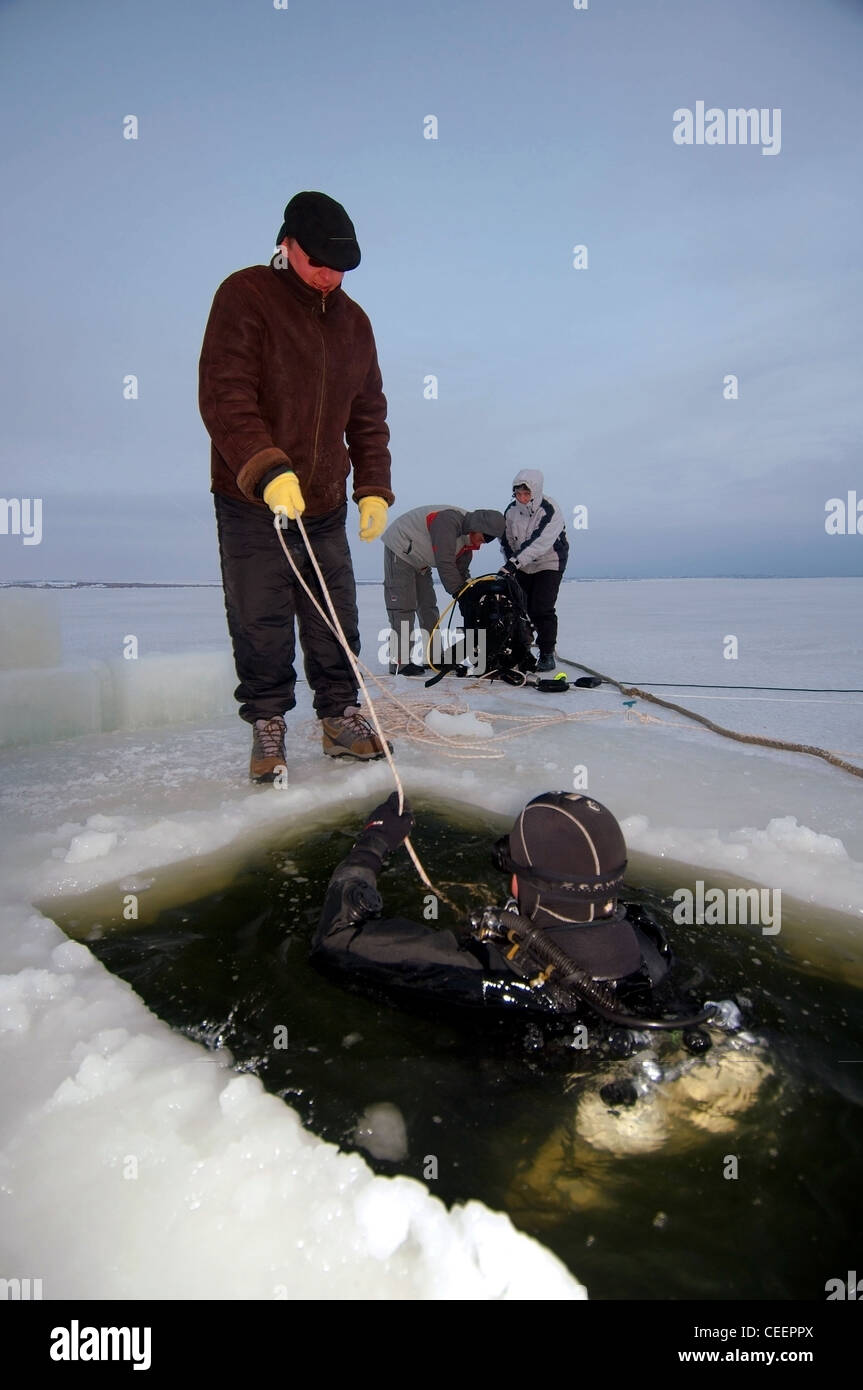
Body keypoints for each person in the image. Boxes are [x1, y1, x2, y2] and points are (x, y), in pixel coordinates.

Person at [199, 191, 394, 781]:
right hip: (252, 500)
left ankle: (339, 716)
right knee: (261, 617)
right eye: (320, 264)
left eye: (342, 268)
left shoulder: (355, 324)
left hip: (325, 502)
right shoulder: (246, 295)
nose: (330, 277)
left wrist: (375, 488)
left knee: (336, 616)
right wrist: (266, 467)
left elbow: (368, 414)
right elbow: (224, 393)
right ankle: (267, 723)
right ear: (288, 243)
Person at [312, 790, 681, 1024]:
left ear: (519, 883)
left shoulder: (481, 969)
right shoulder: (650, 942)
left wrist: (373, 842)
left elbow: (336, 938)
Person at [381, 505, 506, 675]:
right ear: (478, 527)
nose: (481, 544)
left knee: (428, 608)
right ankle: (400, 662)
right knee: (404, 607)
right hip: (402, 549)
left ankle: (434, 658)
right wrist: (459, 592)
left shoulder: (466, 546)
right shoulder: (448, 521)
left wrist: (470, 596)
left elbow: (461, 573)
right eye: (483, 538)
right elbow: (445, 562)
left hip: (421, 561)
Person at [499, 470, 568, 672]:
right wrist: (512, 563)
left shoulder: (549, 509)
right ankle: (523, 649)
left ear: (535, 492)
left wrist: (514, 563)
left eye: (526, 494)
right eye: (518, 494)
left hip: (549, 561)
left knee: (541, 607)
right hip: (523, 564)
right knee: (520, 607)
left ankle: (547, 652)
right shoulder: (510, 512)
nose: (522, 498)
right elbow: (507, 541)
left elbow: (541, 541)